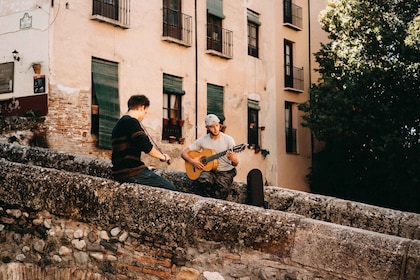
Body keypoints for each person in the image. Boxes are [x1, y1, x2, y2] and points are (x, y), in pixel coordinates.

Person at [111, 95, 176, 190]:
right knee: (171, 188)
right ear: (142, 107)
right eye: (145, 112)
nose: (145, 115)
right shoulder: (132, 123)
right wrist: (163, 157)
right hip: (131, 171)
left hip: (118, 172)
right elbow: (146, 146)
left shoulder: (119, 123)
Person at [181, 114, 239, 199]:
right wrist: (192, 161)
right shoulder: (203, 140)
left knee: (221, 191)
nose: (215, 129)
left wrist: (234, 160)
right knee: (202, 181)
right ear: (207, 128)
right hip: (210, 171)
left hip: (225, 171)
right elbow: (184, 153)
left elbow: (235, 163)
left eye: (217, 125)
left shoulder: (228, 140)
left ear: (220, 125)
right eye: (212, 127)